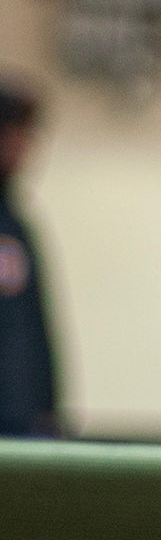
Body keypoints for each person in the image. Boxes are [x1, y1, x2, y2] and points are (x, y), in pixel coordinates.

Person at [0, 79, 59, 438]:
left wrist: (47, 408)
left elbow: (33, 328)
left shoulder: (17, 223)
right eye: (15, 134)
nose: (24, 147)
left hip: (22, 427)